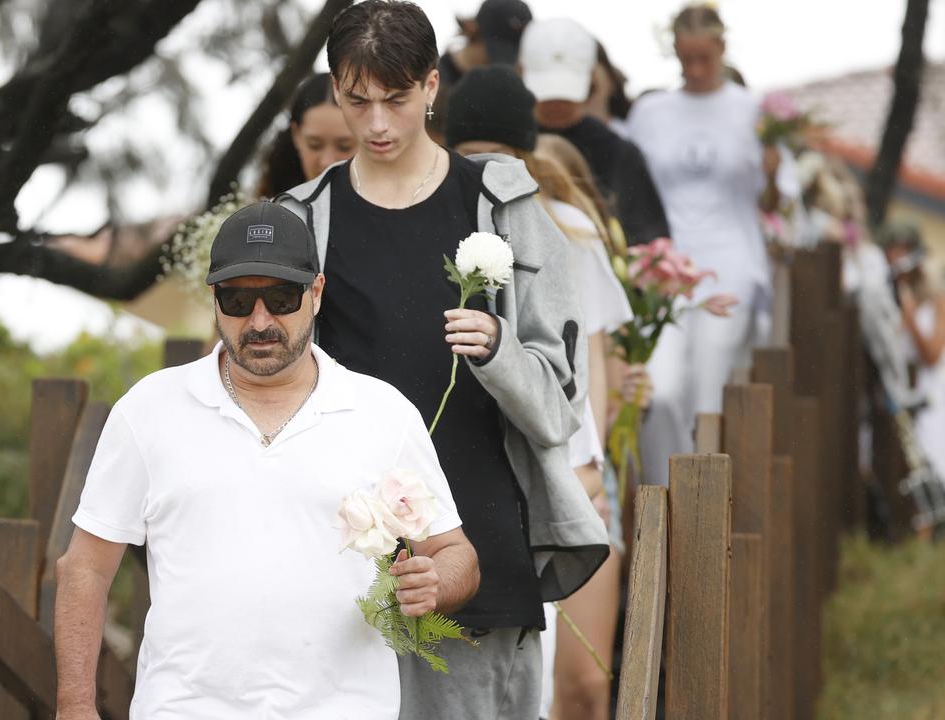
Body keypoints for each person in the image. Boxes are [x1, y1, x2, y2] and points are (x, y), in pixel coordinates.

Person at [277, 4, 609, 717]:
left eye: (396, 100)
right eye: (357, 101)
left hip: (484, 552)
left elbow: (560, 412)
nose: (377, 125)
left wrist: (498, 350)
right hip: (333, 569)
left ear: (433, 85)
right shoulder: (304, 220)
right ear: (335, 89)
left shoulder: (504, 207)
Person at [53, 201, 479, 719]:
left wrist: (435, 581)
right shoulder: (147, 410)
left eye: (280, 297)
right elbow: (85, 569)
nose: (260, 321)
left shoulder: (383, 413)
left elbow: (454, 550)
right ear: (214, 299)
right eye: (237, 299)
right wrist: (74, 706)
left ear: (316, 294)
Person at [446, 65, 635, 720]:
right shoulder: (434, 224)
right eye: (473, 158)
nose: (489, 169)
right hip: (471, 481)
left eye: (501, 155)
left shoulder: (566, 232)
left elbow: (599, 360)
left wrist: (592, 466)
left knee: (581, 685)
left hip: (571, 476)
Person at [625, 3, 783, 487]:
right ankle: (662, 495)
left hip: (731, 259)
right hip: (667, 269)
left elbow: (774, 200)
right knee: (663, 386)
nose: (694, 69)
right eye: (685, 58)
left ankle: (708, 505)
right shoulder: (649, 113)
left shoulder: (752, 111)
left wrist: (774, 170)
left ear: (722, 49)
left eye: (704, 58)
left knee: (708, 386)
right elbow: (631, 190)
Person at [519, 18, 670, 247]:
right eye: (548, 92)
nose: (557, 104)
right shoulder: (508, 147)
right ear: (522, 73)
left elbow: (649, 241)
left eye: (566, 92)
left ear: (592, 78)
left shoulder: (618, 153)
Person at [883, 223, 945, 480]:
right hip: (913, 392)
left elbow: (932, 354)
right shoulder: (894, 296)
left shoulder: (937, 301)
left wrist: (910, 318)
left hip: (936, 393)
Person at [429, 0, 532, 142]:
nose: (500, 67)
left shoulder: (516, 87)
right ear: (470, 29)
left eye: (512, 56)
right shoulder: (428, 85)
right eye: (493, 56)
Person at [257, 72, 356, 198]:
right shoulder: (267, 213)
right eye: (314, 145)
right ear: (296, 135)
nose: (327, 162)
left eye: (344, 146)